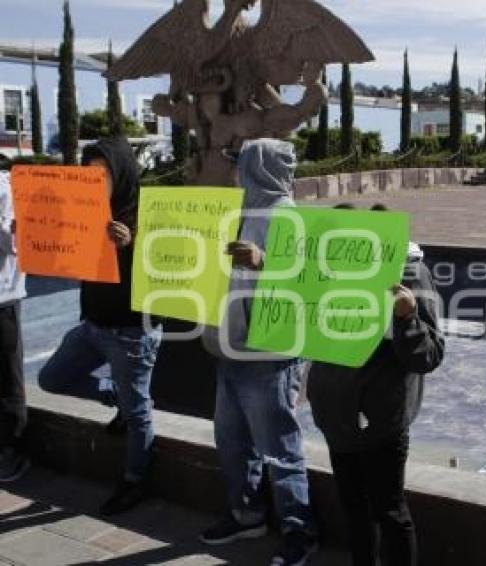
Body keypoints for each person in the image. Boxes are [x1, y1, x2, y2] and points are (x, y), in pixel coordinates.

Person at [199, 139, 316, 566]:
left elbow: (309, 279)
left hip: (270, 353)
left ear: (258, 168)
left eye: (240, 164)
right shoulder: (243, 211)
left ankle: (300, 532)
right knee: (231, 440)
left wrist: (263, 260)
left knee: (279, 447)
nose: (233, 172)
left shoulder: (288, 216)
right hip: (234, 346)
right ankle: (247, 514)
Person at [307, 203, 445, 566]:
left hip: (380, 421)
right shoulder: (321, 268)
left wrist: (407, 317)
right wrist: (264, 267)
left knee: (389, 511)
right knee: (353, 510)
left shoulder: (411, 274)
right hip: (335, 416)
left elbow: (428, 355)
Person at [38, 138, 162, 515]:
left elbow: (173, 269)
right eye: (89, 173)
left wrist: (131, 243)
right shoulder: (84, 210)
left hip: (131, 332)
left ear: (121, 173)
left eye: (103, 174)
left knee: (139, 411)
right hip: (93, 324)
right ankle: (114, 396)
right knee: (51, 379)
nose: (96, 180)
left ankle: (135, 481)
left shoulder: (150, 214)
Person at [0, 170, 28, 482]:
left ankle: (13, 450)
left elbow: (20, 244)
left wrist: (10, 233)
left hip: (4, 297)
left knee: (9, 377)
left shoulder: (6, 187)